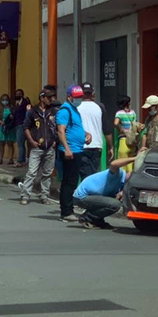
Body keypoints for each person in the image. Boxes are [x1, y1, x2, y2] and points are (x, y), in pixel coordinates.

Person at [73, 148, 147, 229]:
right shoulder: (118, 174)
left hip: (93, 196)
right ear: (129, 172)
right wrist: (136, 158)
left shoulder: (125, 185)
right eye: (132, 175)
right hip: (81, 197)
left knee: (114, 201)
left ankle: (97, 220)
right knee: (115, 204)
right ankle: (87, 217)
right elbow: (114, 164)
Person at [57, 85, 91, 222]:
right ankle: (66, 212)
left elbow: (76, 128)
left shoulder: (74, 110)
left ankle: (68, 209)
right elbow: (61, 130)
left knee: (72, 181)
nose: (79, 100)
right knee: (69, 182)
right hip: (70, 151)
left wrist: (86, 134)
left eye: (80, 97)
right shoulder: (65, 110)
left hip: (77, 149)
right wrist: (67, 148)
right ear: (69, 97)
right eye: (76, 97)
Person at [20, 88, 58, 205]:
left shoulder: (53, 111)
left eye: (51, 97)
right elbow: (26, 127)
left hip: (50, 147)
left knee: (47, 173)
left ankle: (44, 195)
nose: (51, 99)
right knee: (32, 172)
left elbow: (58, 127)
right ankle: (25, 195)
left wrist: (55, 141)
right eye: (48, 97)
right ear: (42, 98)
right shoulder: (33, 112)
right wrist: (31, 141)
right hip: (37, 148)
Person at [77, 82, 114, 179]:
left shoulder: (76, 107)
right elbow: (107, 130)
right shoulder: (100, 107)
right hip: (96, 146)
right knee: (92, 175)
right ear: (92, 93)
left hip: (81, 146)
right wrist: (111, 147)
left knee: (85, 176)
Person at [113, 95, 138, 172]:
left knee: (122, 165)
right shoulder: (133, 113)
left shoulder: (119, 113)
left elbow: (116, 123)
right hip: (132, 140)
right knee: (130, 164)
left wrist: (121, 129)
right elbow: (135, 124)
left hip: (123, 139)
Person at [0, 94, 17, 165]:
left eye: (6, 99)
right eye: (3, 99)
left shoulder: (11, 108)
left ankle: (11, 159)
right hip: (2, 127)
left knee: (10, 143)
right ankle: (0, 158)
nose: (5, 101)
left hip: (10, 127)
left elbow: (14, 116)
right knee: (2, 143)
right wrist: (1, 122)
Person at [13, 89, 31, 168]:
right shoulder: (16, 103)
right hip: (17, 124)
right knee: (20, 143)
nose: (18, 95)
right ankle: (22, 159)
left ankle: (21, 160)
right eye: (17, 94)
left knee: (20, 143)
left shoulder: (25, 103)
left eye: (20, 94)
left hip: (22, 124)